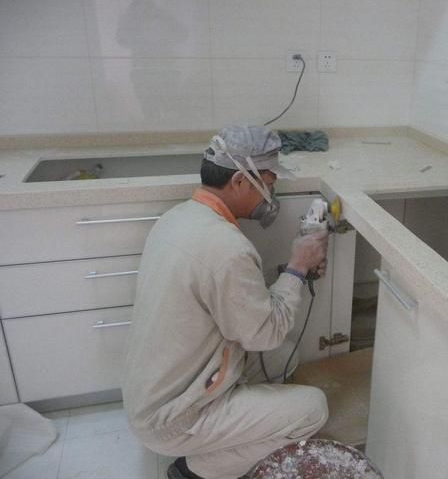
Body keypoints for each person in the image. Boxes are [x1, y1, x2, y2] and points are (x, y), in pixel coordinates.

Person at [122, 126, 330, 479]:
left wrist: (292, 273)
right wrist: (297, 268)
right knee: (313, 409)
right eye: (269, 182)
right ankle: (196, 468)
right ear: (239, 180)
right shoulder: (228, 248)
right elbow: (264, 335)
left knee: (285, 358)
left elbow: (236, 305)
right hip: (173, 416)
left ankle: (228, 425)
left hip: (155, 391)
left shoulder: (177, 218)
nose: (271, 193)